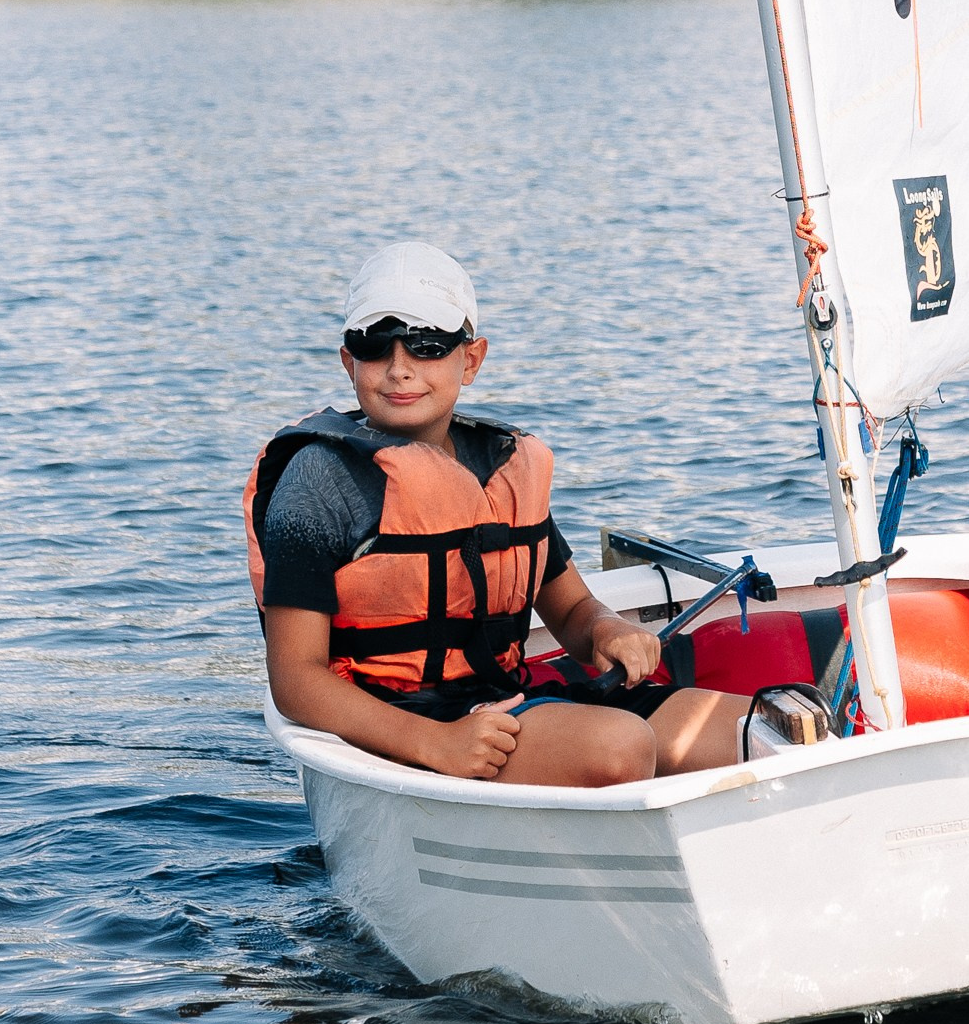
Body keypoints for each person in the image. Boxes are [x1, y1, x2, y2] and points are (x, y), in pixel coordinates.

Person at [246, 239, 752, 789]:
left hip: (507, 705)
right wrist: (436, 744)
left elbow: (573, 609)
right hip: (400, 728)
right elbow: (295, 680)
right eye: (373, 346)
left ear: (471, 359)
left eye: (427, 344)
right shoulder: (318, 481)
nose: (399, 369)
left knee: (754, 730)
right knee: (619, 746)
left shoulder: (504, 467)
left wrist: (607, 629)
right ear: (348, 361)